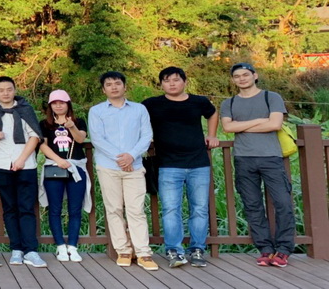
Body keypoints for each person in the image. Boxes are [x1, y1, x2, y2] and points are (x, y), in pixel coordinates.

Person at [220, 63, 295, 268]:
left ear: (255, 76)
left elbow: (275, 124)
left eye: (245, 74)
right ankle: (265, 249)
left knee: (283, 203)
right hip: (243, 158)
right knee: (252, 205)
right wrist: (260, 121)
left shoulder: (271, 97)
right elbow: (227, 127)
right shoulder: (229, 102)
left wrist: (241, 126)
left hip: (271, 157)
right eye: (237, 76)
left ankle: (284, 249)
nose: (242, 79)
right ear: (233, 80)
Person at [142, 67, 218, 268]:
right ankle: (174, 250)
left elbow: (212, 113)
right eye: (166, 80)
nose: (172, 84)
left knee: (199, 208)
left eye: (176, 79)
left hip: (198, 163)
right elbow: (136, 119)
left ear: (185, 81)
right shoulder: (152, 104)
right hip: (168, 164)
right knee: (170, 209)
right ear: (161, 84)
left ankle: (197, 249)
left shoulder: (199, 101)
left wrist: (212, 135)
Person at [88, 71, 157, 271]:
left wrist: (131, 156)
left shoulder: (139, 109)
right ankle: (123, 250)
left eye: (117, 83)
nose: (114, 87)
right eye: (109, 84)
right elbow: (97, 139)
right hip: (108, 166)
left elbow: (146, 135)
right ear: (103, 90)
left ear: (124, 86)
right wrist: (121, 159)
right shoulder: (96, 111)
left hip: (134, 166)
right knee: (114, 209)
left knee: (136, 210)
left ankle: (143, 253)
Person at [0, 76, 46, 268]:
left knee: (26, 208)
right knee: (9, 208)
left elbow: (35, 136)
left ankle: (31, 251)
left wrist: (21, 159)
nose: (5, 93)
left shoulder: (25, 109)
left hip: (26, 165)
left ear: (15, 90)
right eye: (1, 90)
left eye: (9, 89)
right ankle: (16, 249)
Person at [39, 89, 89, 263]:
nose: (58, 106)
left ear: (68, 104)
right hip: (54, 167)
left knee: (75, 209)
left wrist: (72, 126)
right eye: (55, 103)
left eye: (62, 102)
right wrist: (59, 160)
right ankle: (60, 245)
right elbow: (43, 146)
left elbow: (81, 139)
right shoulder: (44, 124)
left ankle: (73, 246)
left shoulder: (79, 121)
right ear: (50, 106)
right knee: (55, 209)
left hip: (76, 167)